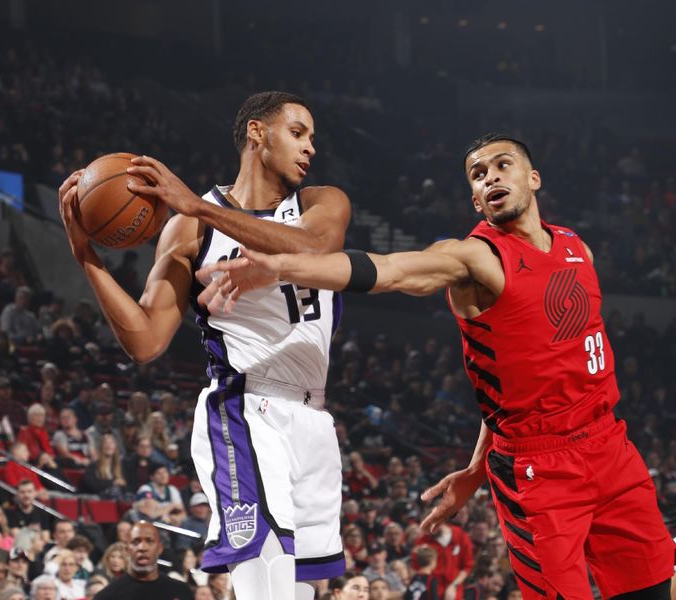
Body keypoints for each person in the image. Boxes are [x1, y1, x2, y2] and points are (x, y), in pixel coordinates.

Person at [197, 132, 676, 600]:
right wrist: (283, 267)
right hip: (540, 470)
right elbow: (388, 271)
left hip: (611, 447)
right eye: (478, 174)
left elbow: (518, 383)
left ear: (533, 178)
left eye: (502, 165)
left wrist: (474, 469)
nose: (490, 177)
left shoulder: (577, 247)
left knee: (656, 588)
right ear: (475, 201)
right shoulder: (475, 258)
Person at [59, 90, 351, 600]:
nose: (310, 148)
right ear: (257, 134)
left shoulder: (321, 203)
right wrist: (87, 257)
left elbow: (315, 247)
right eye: (298, 133)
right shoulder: (188, 228)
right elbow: (147, 341)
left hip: (314, 417)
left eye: (311, 138)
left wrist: (195, 204)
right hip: (246, 408)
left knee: (304, 590)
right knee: (271, 586)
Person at [93, 521, 191, 600]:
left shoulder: (181, 591)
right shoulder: (107, 596)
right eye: (135, 542)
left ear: (160, 548)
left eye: (149, 541)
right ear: (127, 550)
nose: (142, 548)